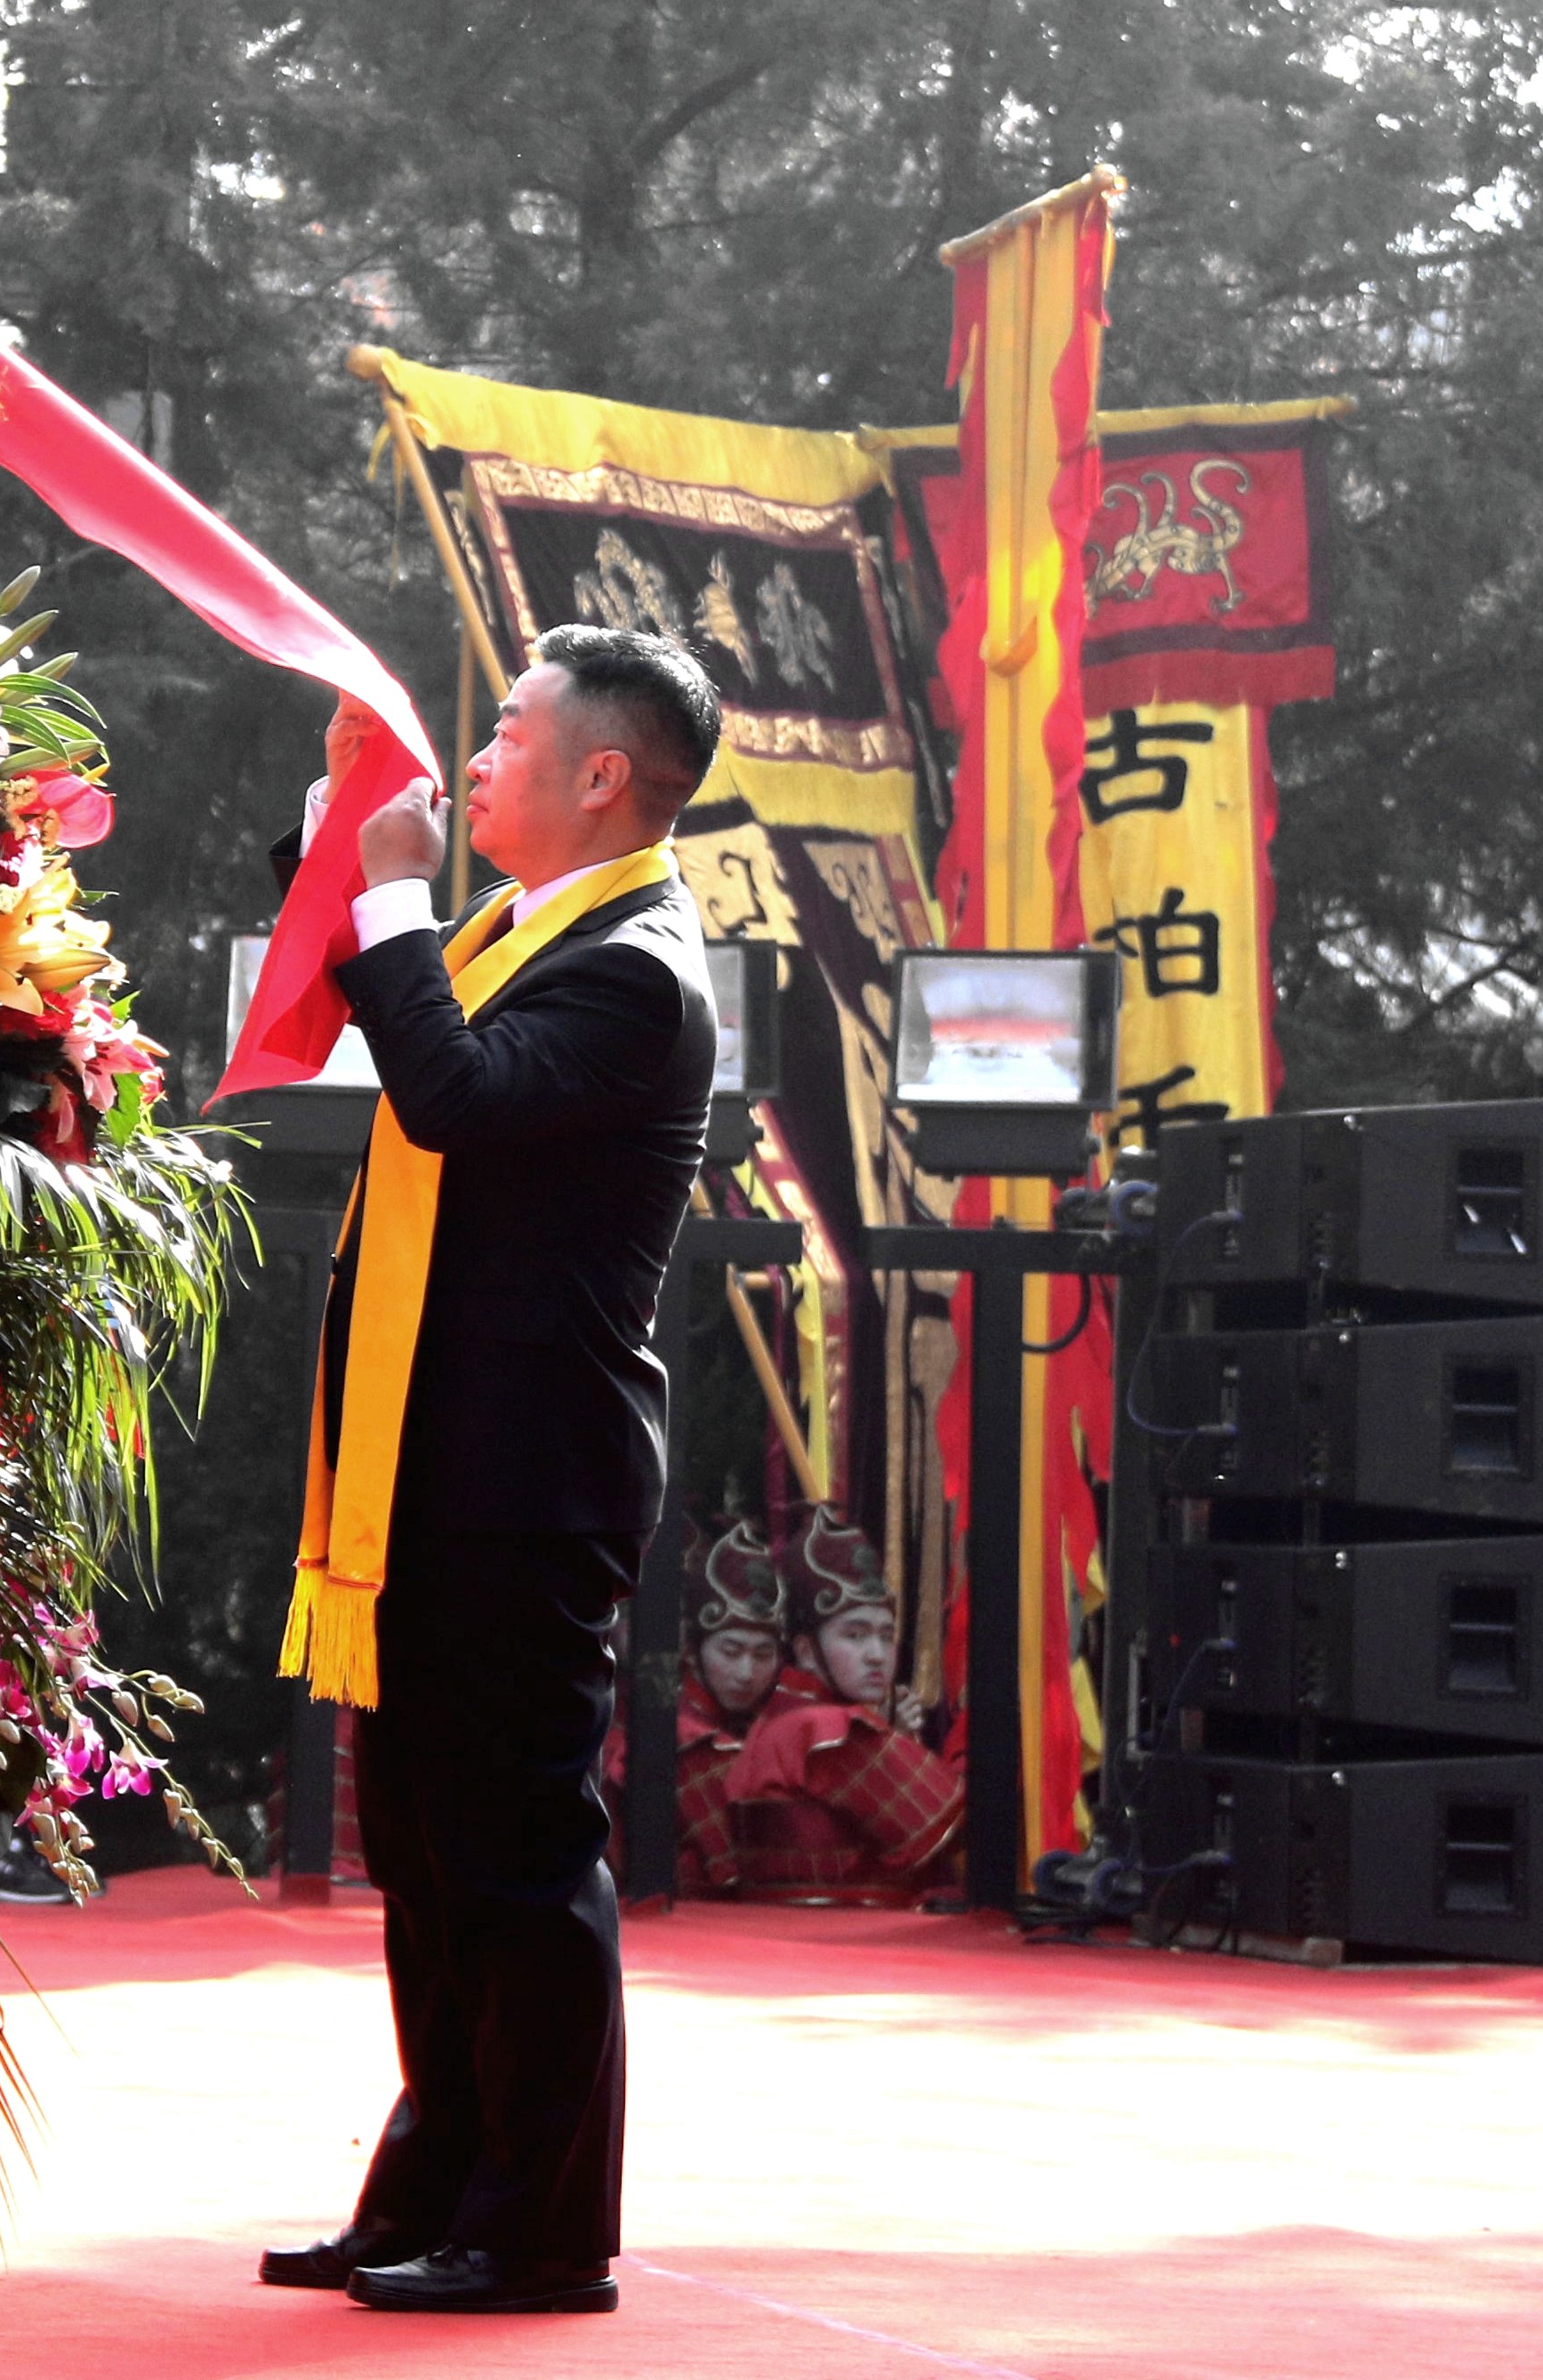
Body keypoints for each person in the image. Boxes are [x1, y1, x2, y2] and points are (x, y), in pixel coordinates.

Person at [259, 623, 719, 2317]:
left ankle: (541, 2232)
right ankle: (437, 2190)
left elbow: (447, 1090)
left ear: (601, 774)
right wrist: (347, 828)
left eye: (509, 732)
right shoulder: (520, 929)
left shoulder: (637, 969)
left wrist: (392, 887)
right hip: (431, 1464)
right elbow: (370, 981)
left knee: (518, 1854)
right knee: (429, 1851)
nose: (475, 759)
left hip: (528, 1480)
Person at [727, 1509, 964, 1902]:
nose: (876, 1655)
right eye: (855, 1636)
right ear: (806, 1651)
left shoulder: (780, 1717)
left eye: (886, 1635)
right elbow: (956, 1823)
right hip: (851, 1930)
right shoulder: (826, 1729)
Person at [599, 1520, 786, 1898]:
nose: (746, 1673)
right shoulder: (685, 1740)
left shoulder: (766, 1720)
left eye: (763, 1654)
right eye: (731, 1652)